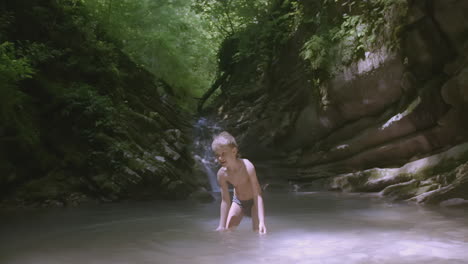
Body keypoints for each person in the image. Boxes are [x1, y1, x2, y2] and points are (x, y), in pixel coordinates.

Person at [211, 131, 267, 234]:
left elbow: (257, 194)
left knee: (259, 232)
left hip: (254, 202)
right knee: (227, 232)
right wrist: (221, 225)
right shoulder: (222, 174)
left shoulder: (247, 166)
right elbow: (225, 201)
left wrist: (262, 221)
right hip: (238, 202)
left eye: (223, 154)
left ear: (234, 151)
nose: (220, 158)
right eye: (217, 155)